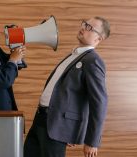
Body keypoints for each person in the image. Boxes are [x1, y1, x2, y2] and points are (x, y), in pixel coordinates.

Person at [24, 16, 110, 157]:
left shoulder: (93, 60)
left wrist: (92, 141)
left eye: (89, 27)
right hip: (41, 120)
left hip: (54, 127)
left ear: (98, 39)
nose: (83, 27)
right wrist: (70, 127)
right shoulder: (73, 55)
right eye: (84, 23)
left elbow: (99, 102)